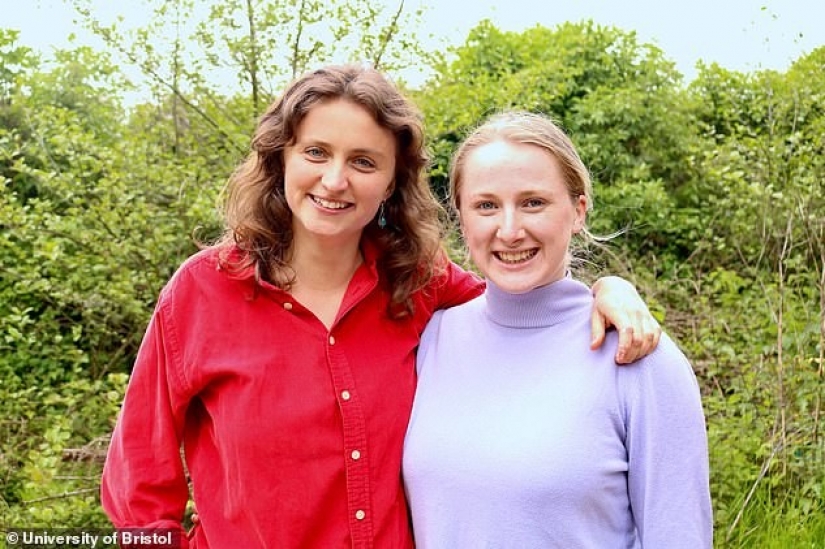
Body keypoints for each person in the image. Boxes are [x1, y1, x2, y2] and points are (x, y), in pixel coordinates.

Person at [100, 65, 662, 548]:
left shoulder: (420, 283)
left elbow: (525, 305)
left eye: (364, 162)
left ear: (393, 181)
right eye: (316, 152)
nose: (335, 180)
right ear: (281, 159)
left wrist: (606, 288)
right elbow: (139, 478)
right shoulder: (204, 291)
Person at [403, 111, 712, 548]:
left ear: (578, 210)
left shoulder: (637, 356)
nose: (509, 230)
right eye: (486, 205)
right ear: (462, 215)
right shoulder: (430, 339)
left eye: (533, 202)